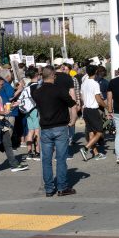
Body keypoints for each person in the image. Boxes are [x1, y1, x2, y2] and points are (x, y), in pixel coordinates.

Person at [32, 66, 77, 195]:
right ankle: (62, 187)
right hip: (60, 127)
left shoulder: (37, 92)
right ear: (53, 76)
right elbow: (72, 104)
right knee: (61, 159)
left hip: (45, 128)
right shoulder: (60, 90)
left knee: (46, 160)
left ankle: (49, 189)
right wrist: (73, 120)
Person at [80, 64, 107, 161]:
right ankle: (85, 148)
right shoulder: (95, 84)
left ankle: (95, 153)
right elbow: (99, 99)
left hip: (86, 109)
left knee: (91, 132)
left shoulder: (84, 83)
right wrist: (107, 106)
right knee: (99, 132)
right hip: (92, 110)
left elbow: (82, 97)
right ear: (96, 72)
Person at [18, 66, 42, 160]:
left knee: (30, 131)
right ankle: (37, 152)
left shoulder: (28, 86)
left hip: (28, 110)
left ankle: (29, 152)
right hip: (35, 110)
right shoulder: (37, 86)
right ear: (36, 75)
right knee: (37, 131)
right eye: (39, 74)